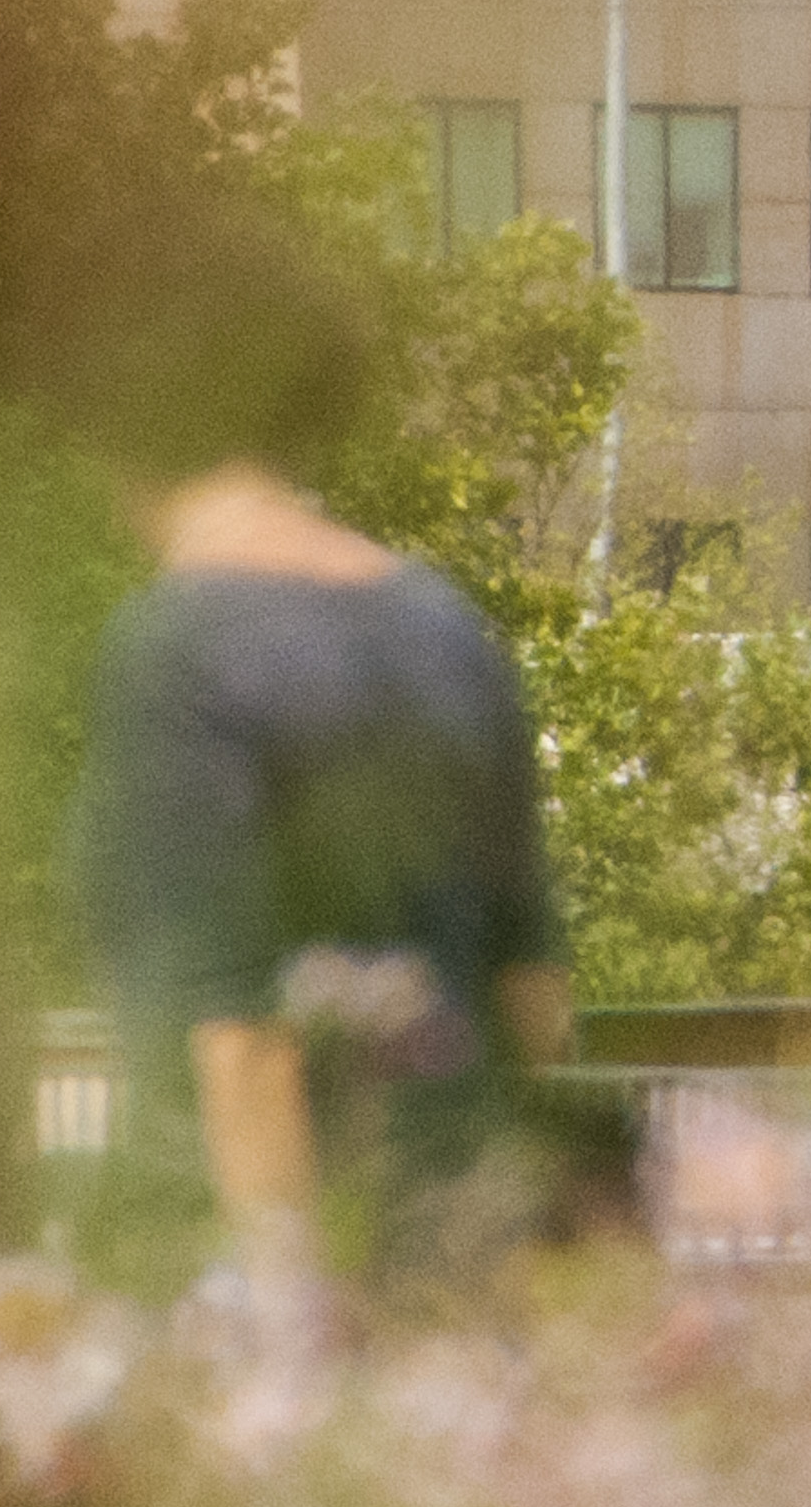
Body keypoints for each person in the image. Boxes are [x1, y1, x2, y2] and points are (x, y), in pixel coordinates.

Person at [61, 260, 572, 1288]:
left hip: (265, 1275)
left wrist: (292, 1328)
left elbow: (237, 1037)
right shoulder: (443, 624)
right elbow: (534, 992)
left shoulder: (173, 646)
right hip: (467, 1245)